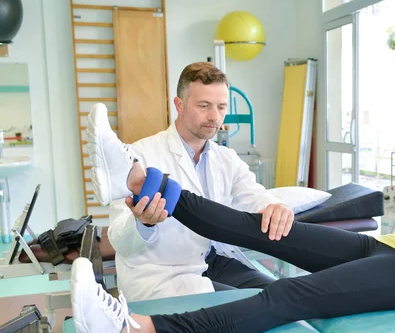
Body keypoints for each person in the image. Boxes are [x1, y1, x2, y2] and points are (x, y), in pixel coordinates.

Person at [74, 62, 395, 333]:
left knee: (289, 296)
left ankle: (133, 331)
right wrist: (275, 207)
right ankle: (135, 180)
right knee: (262, 230)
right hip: (389, 247)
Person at [98, 62, 294, 301]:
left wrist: (274, 206)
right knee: (255, 306)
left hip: (214, 260)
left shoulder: (226, 158)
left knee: (283, 295)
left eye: (221, 107)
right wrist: (143, 224)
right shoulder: (139, 157)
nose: (215, 116)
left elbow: (254, 194)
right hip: (163, 274)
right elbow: (118, 239)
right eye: (204, 106)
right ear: (179, 105)